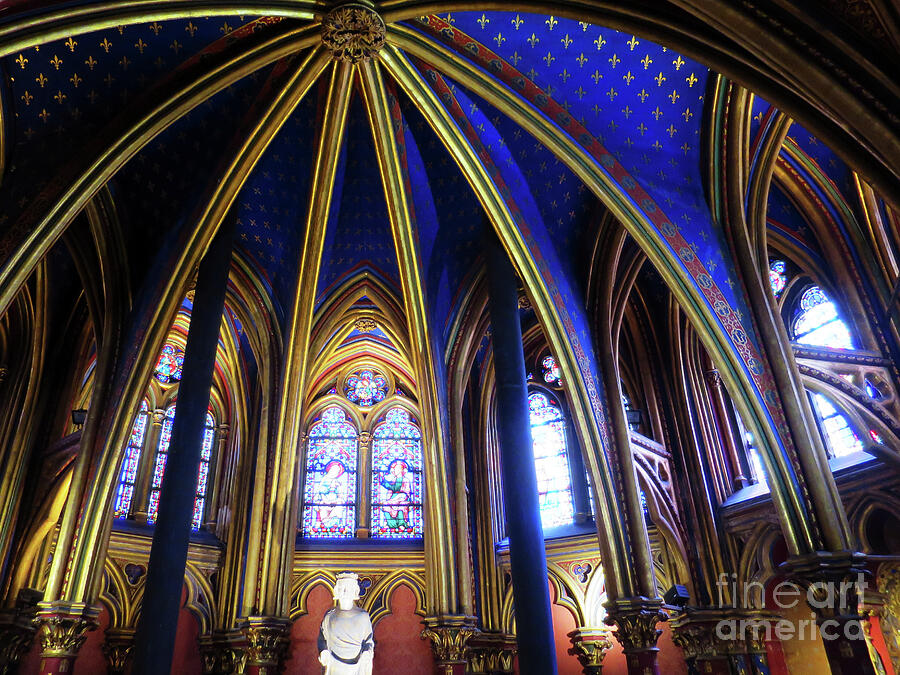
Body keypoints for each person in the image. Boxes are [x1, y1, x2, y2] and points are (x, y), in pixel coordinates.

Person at [318, 573, 374, 674]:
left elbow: (368, 641)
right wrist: (324, 651)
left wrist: (367, 653)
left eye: (348, 588)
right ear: (336, 591)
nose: (345, 592)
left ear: (355, 591)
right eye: (342, 588)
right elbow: (323, 638)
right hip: (334, 666)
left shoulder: (363, 617)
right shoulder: (329, 616)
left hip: (356, 667)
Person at [378, 459, 411, 530]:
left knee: (401, 505)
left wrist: (399, 497)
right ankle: (390, 524)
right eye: (394, 469)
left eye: (396, 469)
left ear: (401, 470)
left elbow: (403, 490)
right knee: (385, 504)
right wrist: (383, 478)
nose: (394, 471)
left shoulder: (405, 480)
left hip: (402, 497)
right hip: (393, 497)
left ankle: (401, 524)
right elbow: (390, 487)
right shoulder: (394, 479)